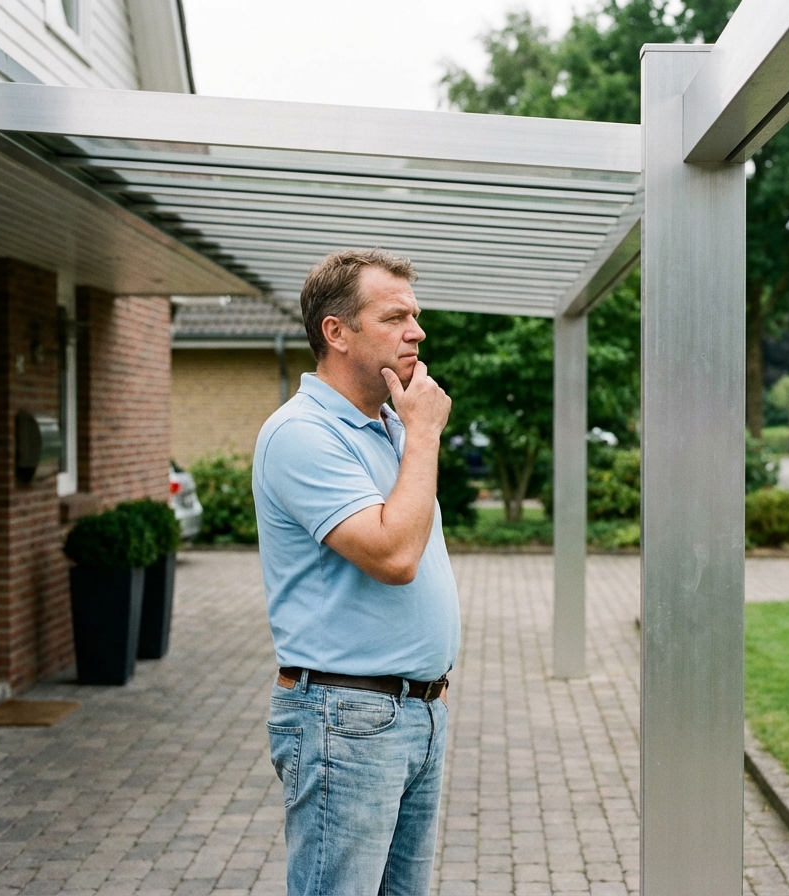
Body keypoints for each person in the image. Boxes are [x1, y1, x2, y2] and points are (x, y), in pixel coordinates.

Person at [252, 248, 460, 895]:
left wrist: (412, 435)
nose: (416, 332)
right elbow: (394, 555)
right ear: (335, 332)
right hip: (346, 720)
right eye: (395, 316)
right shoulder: (301, 434)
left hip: (415, 715)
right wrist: (425, 437)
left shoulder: (387, 427)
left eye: (416, 316)